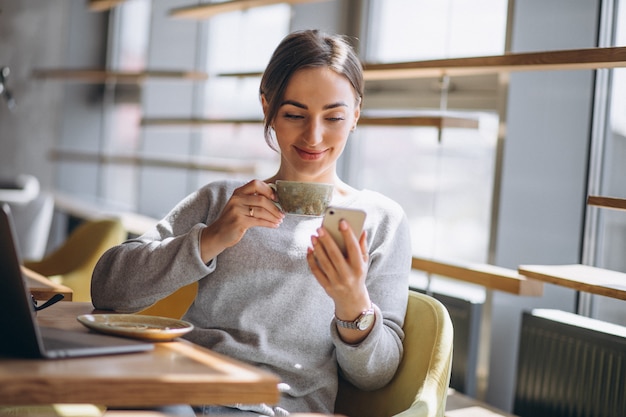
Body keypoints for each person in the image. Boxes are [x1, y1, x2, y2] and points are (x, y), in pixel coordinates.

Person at [92, 29, 411, 416]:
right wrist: (209, 240)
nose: (313, 136)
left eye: (334, 117)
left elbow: (376, 375)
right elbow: (108, 289)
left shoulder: (379, 221)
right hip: (182, 394)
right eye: (294, 114)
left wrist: (352, 305)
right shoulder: (224, 200)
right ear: (268, 108)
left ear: (356, 114)